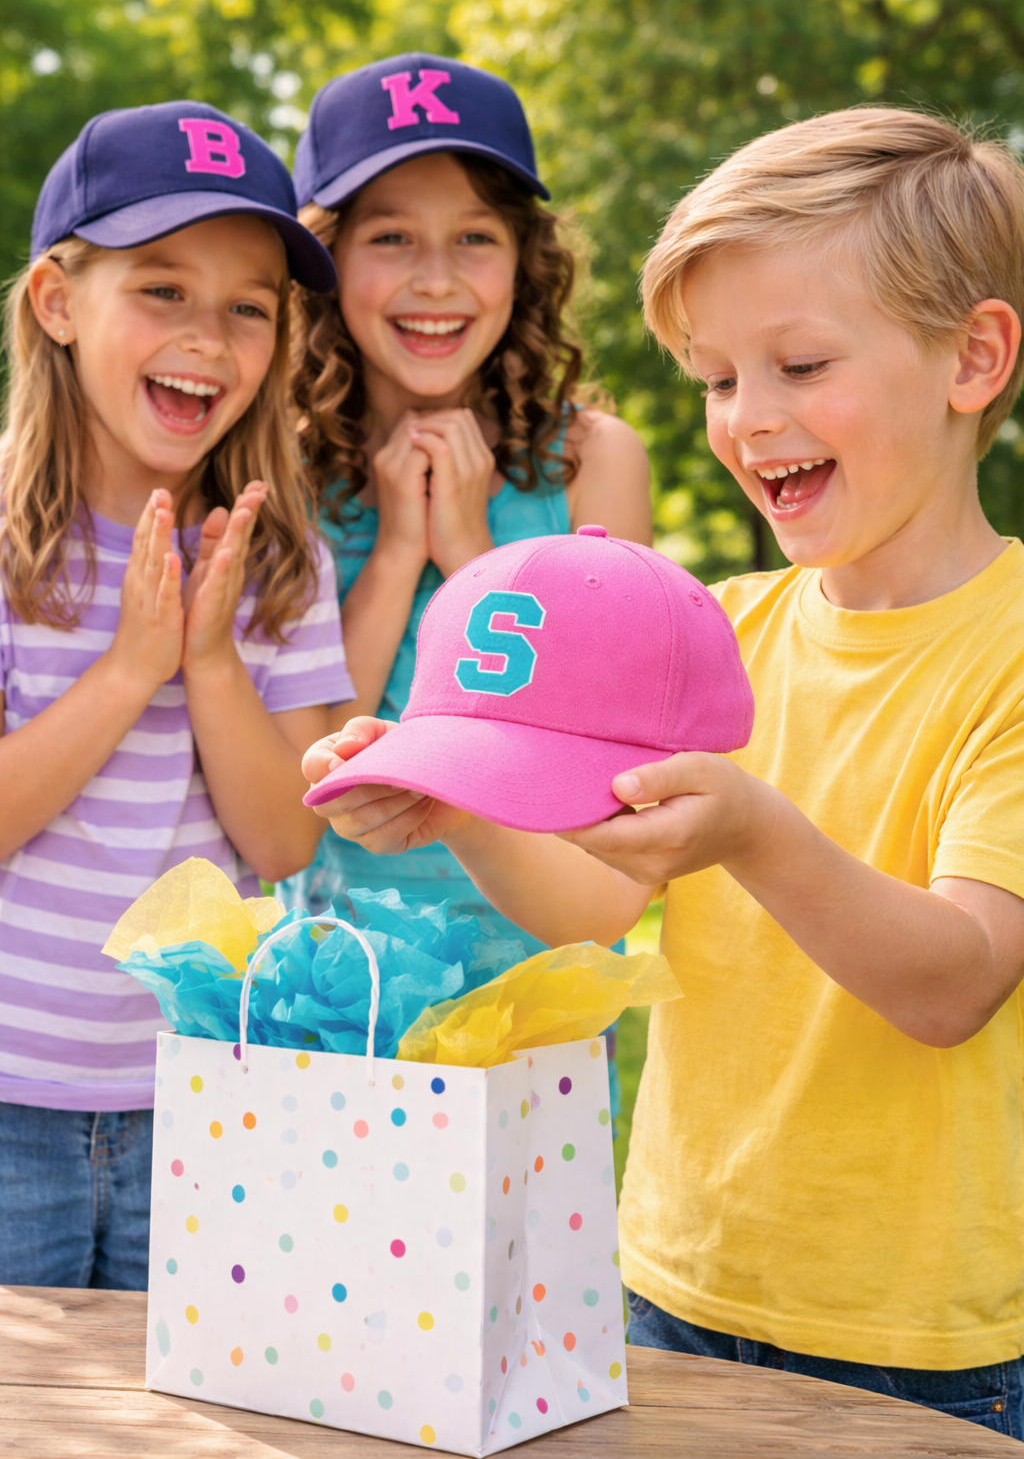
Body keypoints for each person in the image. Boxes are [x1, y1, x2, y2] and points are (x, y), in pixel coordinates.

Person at [302, 109, 1024, 1437]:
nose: (748, 422)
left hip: (918, 1345)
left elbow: (956, 983)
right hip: (669, 1286)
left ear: (973, 357)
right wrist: (454, 805)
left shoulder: (1012, 653)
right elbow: (594, 906)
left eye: (799, 363)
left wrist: (755, 831)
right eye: (716, 378)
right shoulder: (727, 629)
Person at [0, 101, 354, 1290]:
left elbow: (284, 831)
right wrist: (125, 670)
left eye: (249, 307)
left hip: (209, 1094)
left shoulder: (280, 559)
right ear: (58, 302)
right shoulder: (7, 544)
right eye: (162, 290)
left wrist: (207, 661)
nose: (209, 336)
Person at [279, 53, 651, 1102]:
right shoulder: (287, 469)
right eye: (390, 235)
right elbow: (302, 775)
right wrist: (396, 553)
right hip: (345, 984)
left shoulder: (590, 463)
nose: (434, 280)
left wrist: (471, 556)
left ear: (525, 264)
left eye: (474, 239)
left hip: (540, 975)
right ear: (329, 257)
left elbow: (586, 761)